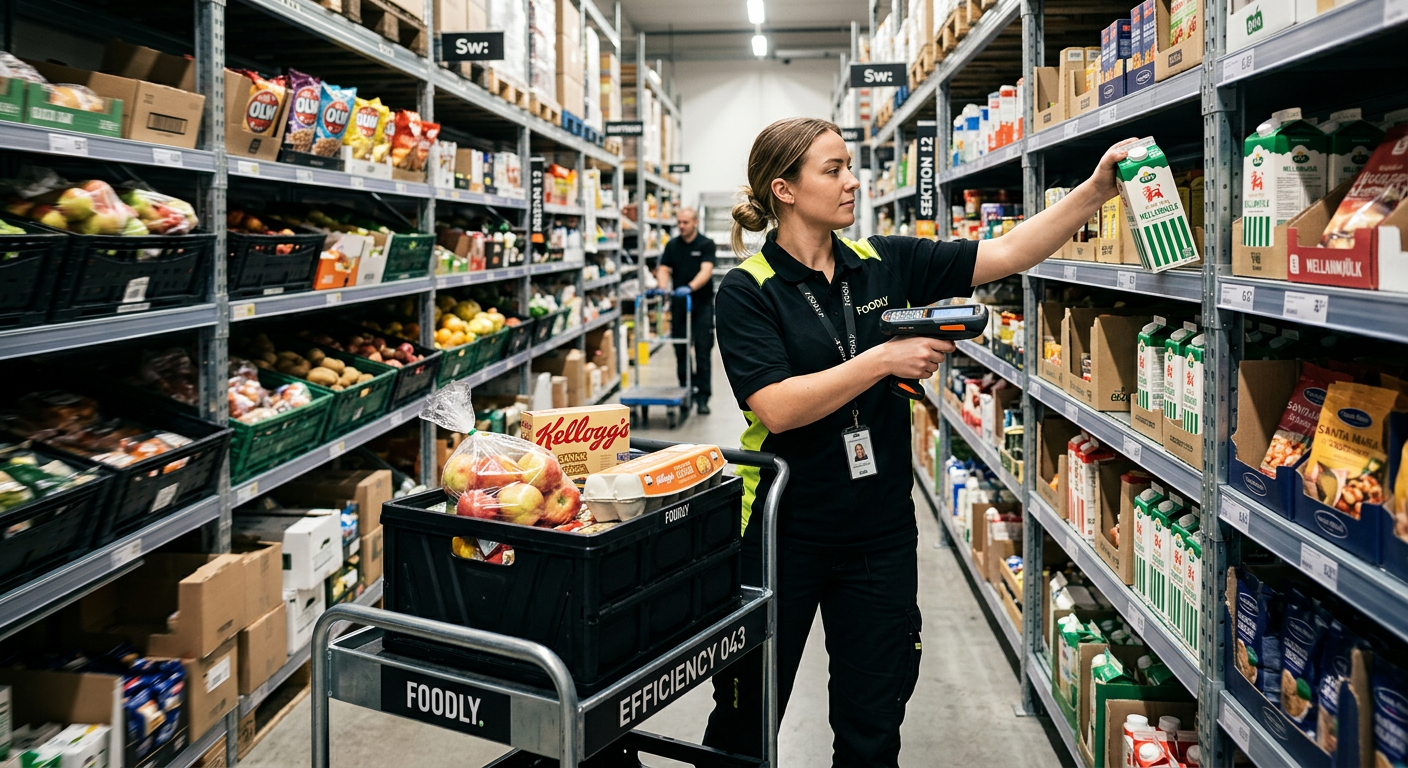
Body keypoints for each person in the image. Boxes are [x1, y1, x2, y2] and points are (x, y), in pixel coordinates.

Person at [703, 116, 1133, 767]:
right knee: (745, 717)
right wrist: (883, 360)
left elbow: (1010, 252)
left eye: (850, 166)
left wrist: (1097, 190)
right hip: (781, 534)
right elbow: (778, 407)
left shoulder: (886, 262)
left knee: (873, 724)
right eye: (833, 169)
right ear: (783, 189)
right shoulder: (747, 290)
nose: (852, 182)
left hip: (878, 531)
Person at [654, 207, 716, 414]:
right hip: (680, 305)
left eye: (685, 223)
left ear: (695, 222)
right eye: (679, 222)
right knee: (681, 351)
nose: (681, 226)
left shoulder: (706, 244)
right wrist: (663, 287)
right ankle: (685, 392)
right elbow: (664, 268)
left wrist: (690, 287)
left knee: (702, 351)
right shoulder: (672, 245)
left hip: (701, 305)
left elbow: (706, 270)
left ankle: (703, 397)